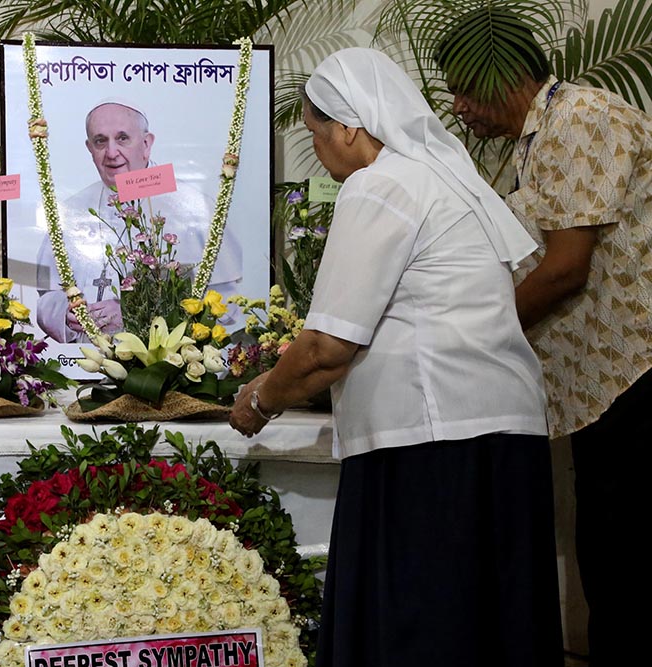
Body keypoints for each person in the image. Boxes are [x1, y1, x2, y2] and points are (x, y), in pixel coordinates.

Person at [230, 48, 563, 666]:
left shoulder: (379, 186)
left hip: (431, 444)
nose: (322, 157)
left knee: (424, 629)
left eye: (316, 135)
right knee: (496, 628)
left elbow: (328, 348)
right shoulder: (443, 179)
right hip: (503, 440)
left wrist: (259, 399)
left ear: (349, 127)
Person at [437, 12, 652, 665]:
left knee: (629, 566)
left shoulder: (579, 118)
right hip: (600, 385)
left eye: (467, 89)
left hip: (639, 375)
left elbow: (565, 266)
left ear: (505, 76)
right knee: (609, 558)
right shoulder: (536, 138)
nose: (458, 106)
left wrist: (478, 335)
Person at [35, 100, 243, 343]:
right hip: (84, 363)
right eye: (100, 141)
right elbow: (46, 296)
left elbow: (227, 303)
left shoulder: (195, 207)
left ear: (146, 144)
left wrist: (137, 311)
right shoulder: (70, 211)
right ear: (89, 148)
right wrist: (65, 314)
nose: (111, 153)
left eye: (122, 138)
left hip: (167, 368)